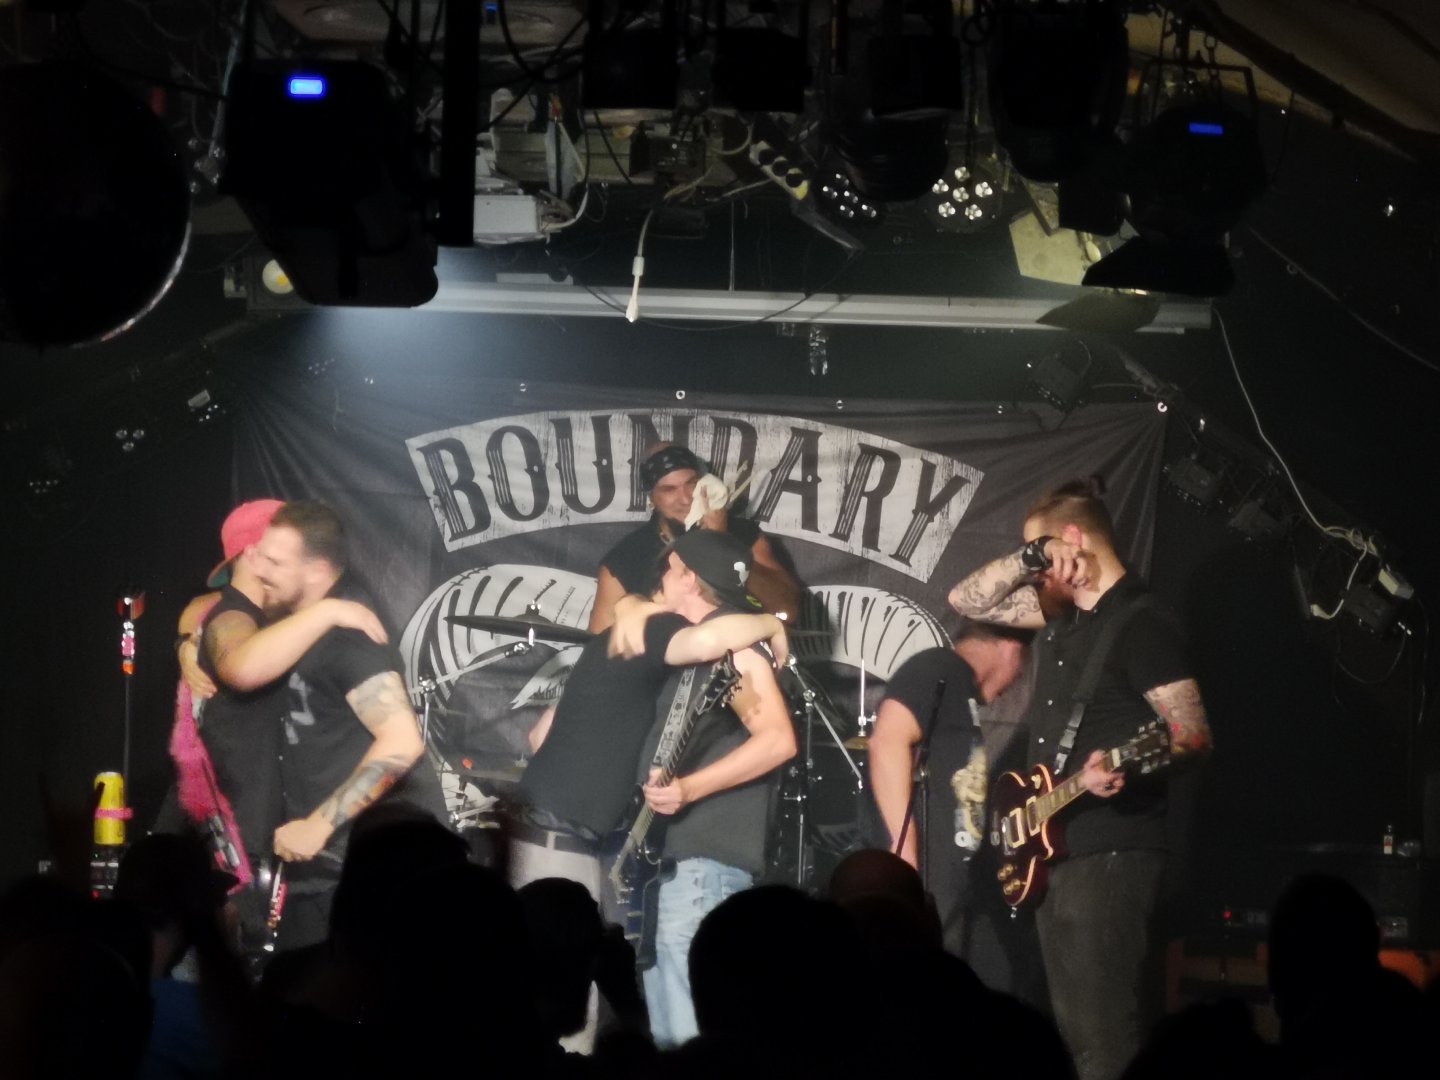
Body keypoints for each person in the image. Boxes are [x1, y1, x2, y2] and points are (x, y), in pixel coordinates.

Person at [947, 476, 1212, 1080]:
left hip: (1113, 850)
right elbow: (967, 601)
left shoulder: (1144, 624)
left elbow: (1193, 735)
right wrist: (1034, 554)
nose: (1036, 573)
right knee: (1071, 1038)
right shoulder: (1063, 617)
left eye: (1042, 554)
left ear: (1075, 538)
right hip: (1057, 849)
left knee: (1104, 1039)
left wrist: (1128, 767)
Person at [245, 500, 448, 950]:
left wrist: (318, 825)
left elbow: (402, 741)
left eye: (275, 562)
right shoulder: (301, 626)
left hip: (376, 873)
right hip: (333, 871)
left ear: (317, 571)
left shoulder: (348, 640)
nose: (260, 571)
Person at [165, 500, 385, 911]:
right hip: (237, 836)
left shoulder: (273, 618)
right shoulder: (232, 616)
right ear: (255, 554)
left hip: (257, 834)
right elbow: (241, 663)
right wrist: (330, 610)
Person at [637, 529, 797, 1047]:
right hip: (674, 868)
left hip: (705, 868)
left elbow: (777, 740)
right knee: (668, 1033)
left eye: (667, 572)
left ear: (688, 578)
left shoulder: (739, 651)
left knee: (693, 1033)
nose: (658, 582)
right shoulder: (699, 645)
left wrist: (689, 788)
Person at [867, 621, 1030, 957]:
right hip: (926, 880)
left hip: (954, 889)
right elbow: (887, 741)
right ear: (1011, 647)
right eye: (1022, 666)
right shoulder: (939, 666)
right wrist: (905, 854)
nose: (1017, 679)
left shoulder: (960, 688)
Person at [589, 442, 801, 631]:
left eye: (691, 483)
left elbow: (786, 611)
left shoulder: (743, 535)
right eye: (669, 489)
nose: (685, 499)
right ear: (651, 498)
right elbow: (599, 644)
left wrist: (722, 544)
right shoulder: (625, 558)